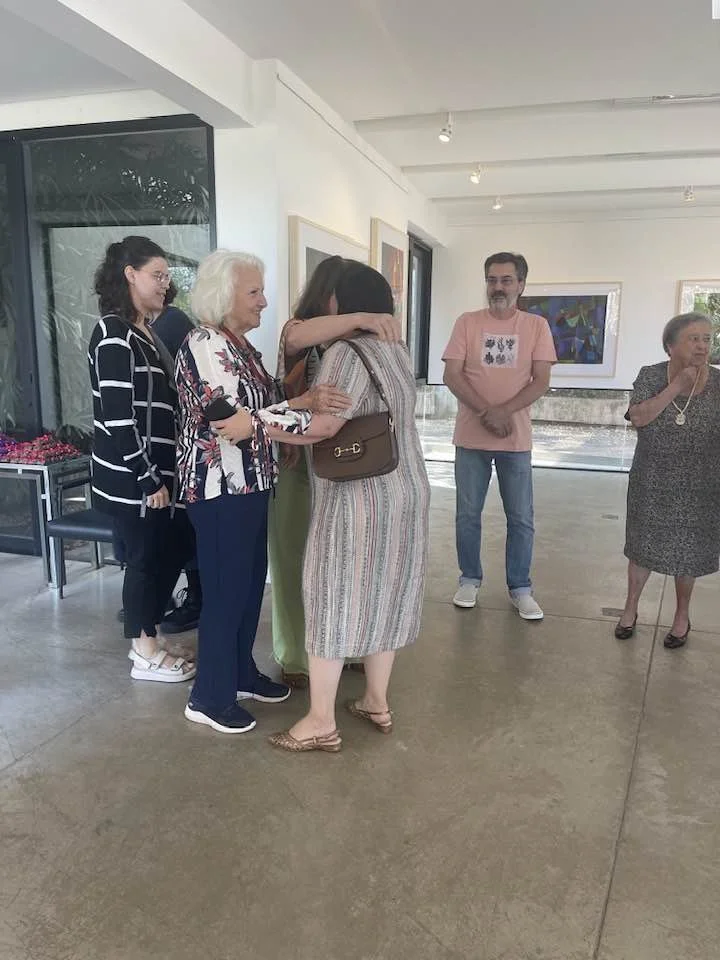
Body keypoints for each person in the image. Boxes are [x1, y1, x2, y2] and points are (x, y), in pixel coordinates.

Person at [256, 262, 430, 754]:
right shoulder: (396, 349)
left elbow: (324, 426)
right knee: (386, 591)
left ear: (341, 301)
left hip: (358, 497)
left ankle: (319, 721)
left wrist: (258, 426)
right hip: (407, 489)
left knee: (330, 594)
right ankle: (376, 701)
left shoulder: (343, 352)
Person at [174, 250, 350, 734]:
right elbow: (228, 420)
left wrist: (300, 399)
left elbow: (265, 402)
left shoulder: (241, 346)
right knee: (226, 591)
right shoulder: (204, 343)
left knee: (250, 585)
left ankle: (239, 674)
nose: (264, 302)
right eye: (254, 292)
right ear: (223, 296)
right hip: (218, 489)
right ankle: (209, 696)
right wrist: (303, 407)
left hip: (252, 483)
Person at [268, 255, 402, 686]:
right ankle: (296, 656)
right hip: (297, 460)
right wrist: (360, 318)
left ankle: (353, 647)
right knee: (294, 560)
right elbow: (294, 337)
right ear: (328, 296)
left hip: (350, 463)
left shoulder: (362, 341)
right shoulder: (301, 332)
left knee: (350, 562)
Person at [88, 236, 195, 682]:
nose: (165, 284)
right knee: (144, 559)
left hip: (158, 473)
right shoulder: (113, 333)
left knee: (165, 552)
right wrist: (148, 478)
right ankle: (143, 651)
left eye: (167, 276)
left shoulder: (143, 332)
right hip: (134, 478)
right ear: (129, 274)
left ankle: (149, 633)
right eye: (157, 275)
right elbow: (118, 417)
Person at [442, 252, 556, 620]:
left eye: (506, 280)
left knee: (520, 517)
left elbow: (541, 380)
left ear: (521, 284)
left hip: (515, 440)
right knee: (467, 515)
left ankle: (520, 588)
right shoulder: (467, 322)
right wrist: (486, 412)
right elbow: (452, 375)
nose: (498, 287)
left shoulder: (536, 326)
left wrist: (503, 412)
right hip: (470, 439)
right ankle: (469, 579)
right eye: (492, 280)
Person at [615, 312, 720, 649]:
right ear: (670, 346)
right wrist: (677, 385)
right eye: (694, 339)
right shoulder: (651, 375)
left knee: (688, 553)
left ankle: (681, 616)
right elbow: (639, 418)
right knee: (642, 548)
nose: (702, 346)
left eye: (707, 339)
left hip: (702, 485)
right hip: (652, 481)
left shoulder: (718, 383)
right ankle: (630, 609)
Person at [150, 282, 202, 634]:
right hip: (169, 442)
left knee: (187, 523)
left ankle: (196, 599)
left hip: (183, 442)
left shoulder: (171, 324)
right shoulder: (154, 325)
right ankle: (165, 596)